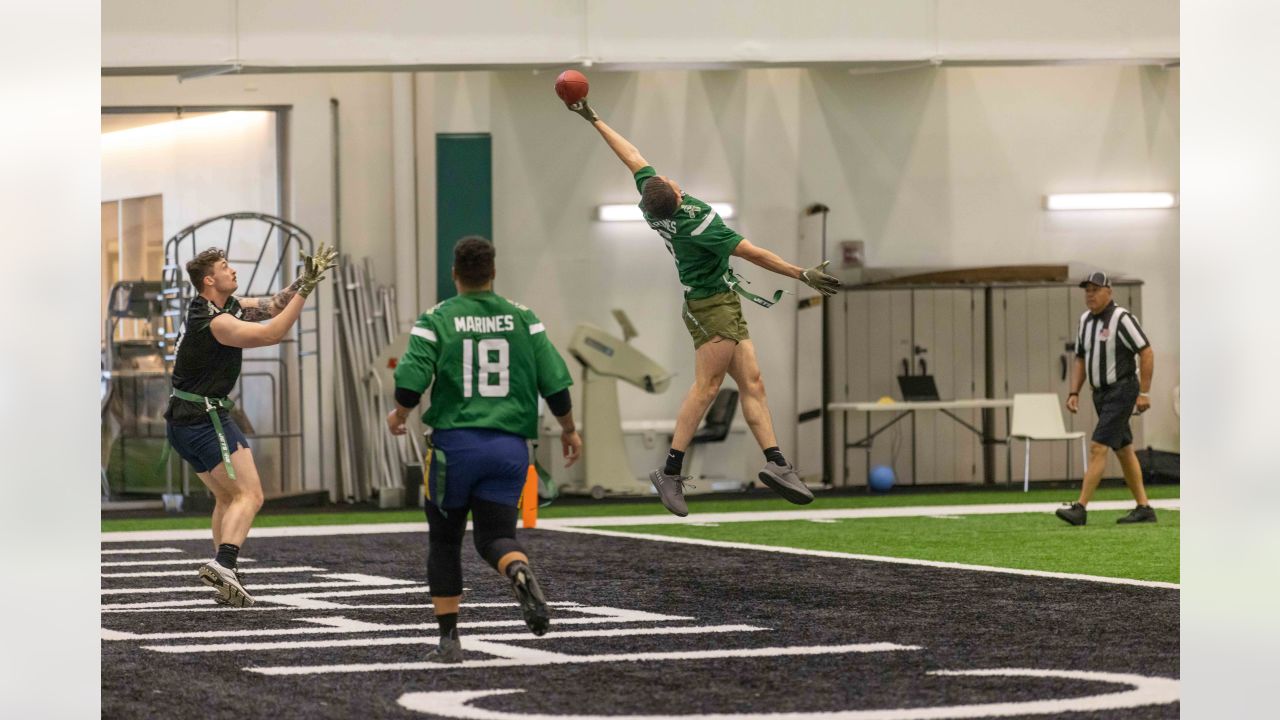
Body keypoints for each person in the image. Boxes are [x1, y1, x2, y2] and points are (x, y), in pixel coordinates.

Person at [565, 97, 839, 517]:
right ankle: (670, 471)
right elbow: (754, 254)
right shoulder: (700, 224)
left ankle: (777, 463)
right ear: (676, 195)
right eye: (673, 183)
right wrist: (801, 274)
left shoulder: (652, 202)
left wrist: (593, 118)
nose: (672, 179)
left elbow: (632, 156)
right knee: (707, 388)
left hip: (719, 300)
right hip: (712, 306)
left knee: (754, 383)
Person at [388, 235, 582, 664]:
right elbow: (555, 384)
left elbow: (410, 383)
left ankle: (449, 639)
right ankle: (516, 569)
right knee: (496, 536)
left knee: (445, 542)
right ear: (493, 273)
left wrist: (399, 415)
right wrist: (569, 430)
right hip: (509, 449)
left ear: (454, 274)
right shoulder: (524, 318)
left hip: (454, 449)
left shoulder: (436, 318)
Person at [165, 244, 337, 606]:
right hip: (203, 417)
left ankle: (224, 577)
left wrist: (303, 279)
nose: (233, 270)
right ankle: (225, 563)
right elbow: (273, 332)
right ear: (209, 279)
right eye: (225, 267)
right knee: (251, 494)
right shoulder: (219, 322)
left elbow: (272, 305)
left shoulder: (223, 306)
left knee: (227, 496)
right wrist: (305, 292)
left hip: (186, 419)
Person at [1056, 271, 1157, 526]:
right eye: (1087, 290)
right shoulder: (1085, 321)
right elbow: (1080, 358)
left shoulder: (1121, 318)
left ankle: (1080, 508)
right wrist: (1073, 392)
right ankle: (1144, 507)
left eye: (1095, 289)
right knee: (1123, 450)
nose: (1090, 294)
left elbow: (1146, 351)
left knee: (1098, 447)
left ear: (1108, 291)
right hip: (1099, 394)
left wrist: (1144, 392)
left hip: (1121, 390)